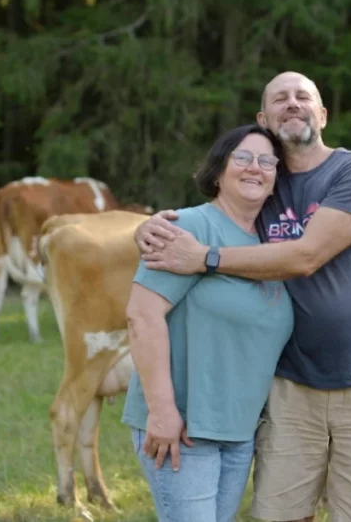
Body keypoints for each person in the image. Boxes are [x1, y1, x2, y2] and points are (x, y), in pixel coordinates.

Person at [136, 71, 351, 522]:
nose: (293, 103)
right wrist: (146, 233)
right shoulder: (261, 184)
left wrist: (204, 256)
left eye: (304, 96)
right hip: (286, 386)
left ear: (323, 114)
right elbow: (206, 219)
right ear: (264, 119)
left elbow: (305, 256)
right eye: (280, 99)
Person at [122, 123, 294, 522]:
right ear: (217, 172)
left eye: (267, 161)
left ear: (275, 182)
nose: (256, 167)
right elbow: (142, 316)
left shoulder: (272, 246)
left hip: (237, 433)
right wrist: (162, 411)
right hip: (183, 427)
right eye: (243, 158)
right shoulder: (187, 227)